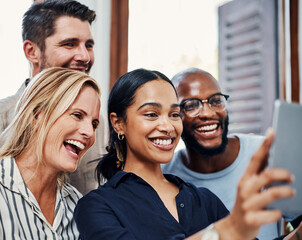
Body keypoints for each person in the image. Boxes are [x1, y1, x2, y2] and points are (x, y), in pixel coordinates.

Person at [73, 68, 296, 240]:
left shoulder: (203, 199)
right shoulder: (95, 207)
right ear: (118, 123)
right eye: (151, 114)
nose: (168, 126)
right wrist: (226, 230)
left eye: (174, 114)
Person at [0, 0, 106, 195]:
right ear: (32, 52)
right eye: (69, 44)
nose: (85, 56)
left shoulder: (96, 126)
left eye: (89, 45)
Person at [0, 67, 101, 239]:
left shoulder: (76, 204)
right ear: (36, 115)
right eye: (77, 115)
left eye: (94, 124)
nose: (89, 132)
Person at [161, 68, 290, 239]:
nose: (208, 113)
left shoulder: (267, 153)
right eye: (191, 105)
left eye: (216, 101)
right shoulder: (163, 174)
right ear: (174, 116)